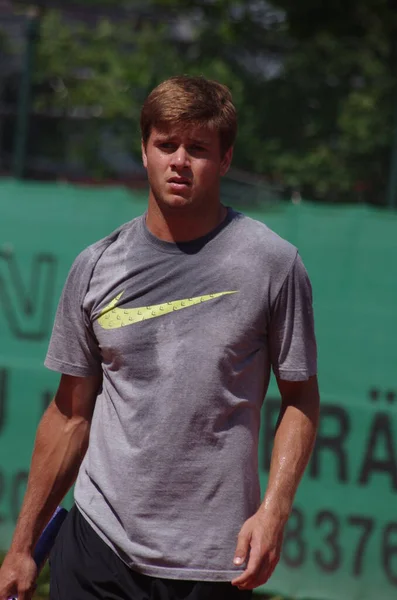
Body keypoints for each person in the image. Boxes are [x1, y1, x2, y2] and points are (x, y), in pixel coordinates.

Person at [0, 75, 319, 600]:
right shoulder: (97, 266)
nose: (179, 160)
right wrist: (22, 545)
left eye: (197, 148)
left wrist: (274, 512)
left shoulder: (273, 264)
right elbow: (70, 415)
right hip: (98, 542)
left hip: (213, 561)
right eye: (166, 144)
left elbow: (301, 401)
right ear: (143, 151)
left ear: (225, 159)